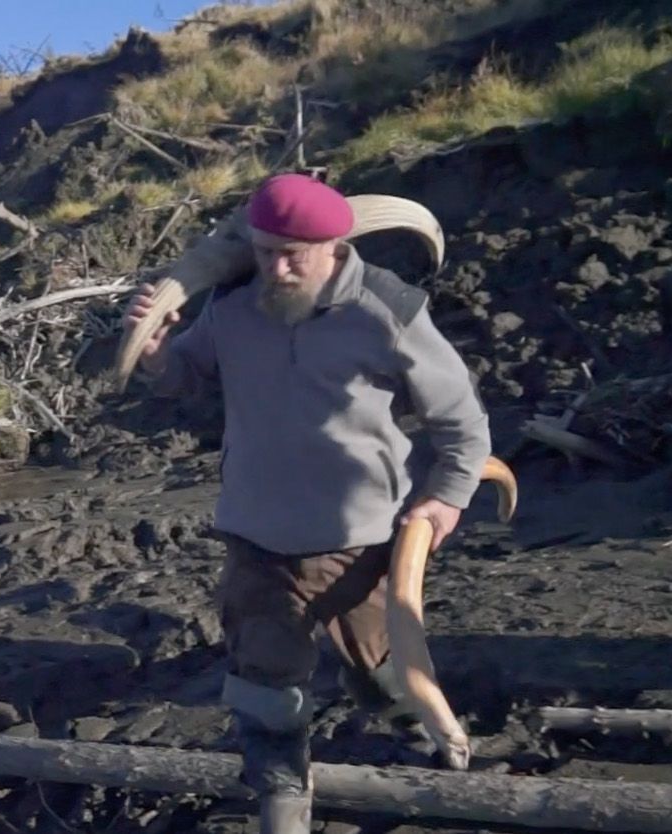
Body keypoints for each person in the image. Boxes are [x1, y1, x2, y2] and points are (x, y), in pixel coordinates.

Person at [123, 174, 491, 834]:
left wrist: (446, 500)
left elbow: (462, 422)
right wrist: (155, 355)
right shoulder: (234, 305)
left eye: (296, 253)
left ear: (336, 244)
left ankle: (423, 753)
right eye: (266, 252)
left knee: (382, 676)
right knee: (264, 687)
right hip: (256, 538)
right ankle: (283, 800)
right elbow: (186, 375)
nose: (279, 267)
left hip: (361, 541)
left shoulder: (389, 309)